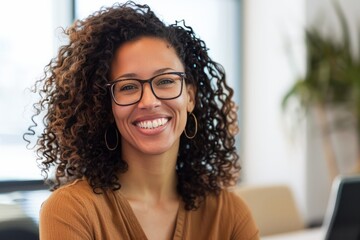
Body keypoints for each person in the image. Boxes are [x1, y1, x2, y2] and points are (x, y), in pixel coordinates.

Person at [24, 1, 259, 239]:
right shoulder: (72, 211)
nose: (149, 101)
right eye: (128, 86)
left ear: (189, 97)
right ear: (107, 106)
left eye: (165, 81)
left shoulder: (228, 213)